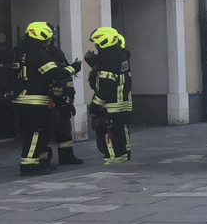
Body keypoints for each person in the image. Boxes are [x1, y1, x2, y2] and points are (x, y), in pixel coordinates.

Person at [12, 22, 78, 176]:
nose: (50, 40)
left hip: (22, 98)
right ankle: (29, 165)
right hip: (35, 100)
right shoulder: (38, 54)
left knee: (39, 132)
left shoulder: (20, 51)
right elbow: (55, 74)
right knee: (36, 132)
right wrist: (74, 67)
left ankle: (41, 162)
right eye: (48, 37)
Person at [86, 27, 133, 165]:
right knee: (121, 132)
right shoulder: (121, 57)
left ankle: (112, 160)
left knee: (107, 135)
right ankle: (124, 155)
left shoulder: (108, 63)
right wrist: (93, 62)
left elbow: (104, 90)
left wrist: (94, 108)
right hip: (122, 106)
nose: (96, 47)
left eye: (97, 44)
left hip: (110, 108)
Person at [46, 29, 84, 166]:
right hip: (47, 100)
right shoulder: (41, 55)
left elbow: (66, 74)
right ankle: (45, 159)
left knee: (64, 130)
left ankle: (67, 157)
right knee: (46, 131)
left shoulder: (57, 52)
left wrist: (69, 98)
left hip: (62, 99)